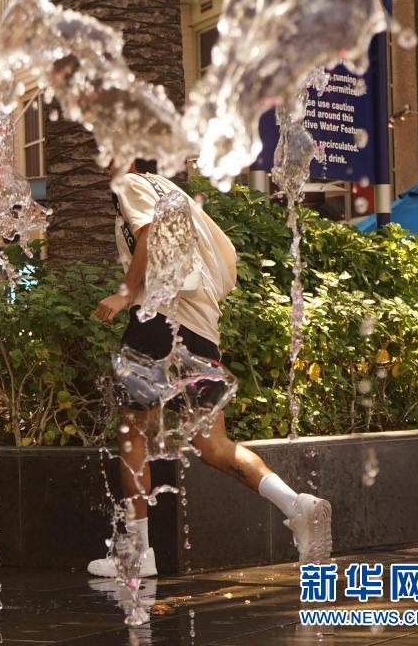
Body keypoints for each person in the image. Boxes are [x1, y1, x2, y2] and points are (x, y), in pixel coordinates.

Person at [89, 160, 332, 578]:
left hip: (158, 321)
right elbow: (225, 260)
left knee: (133, 435)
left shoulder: (132, 184)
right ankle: (296, 504)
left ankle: (137, 555)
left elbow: (149, 232)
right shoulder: (176, 194)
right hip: (201, 331)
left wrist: (125, 293)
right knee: (213, 444)